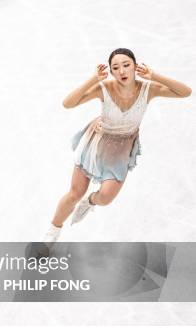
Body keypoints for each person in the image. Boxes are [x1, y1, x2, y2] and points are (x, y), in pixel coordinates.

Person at [44, 48, 192, 242]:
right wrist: (93, 80)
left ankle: (89, 202)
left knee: (105, 198)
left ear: (135, 66)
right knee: (74, 194)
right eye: (116, 67)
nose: (122, 71)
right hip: (96, 143)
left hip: (121, 150)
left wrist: (154, 76)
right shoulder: (104, 87)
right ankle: (52, 233)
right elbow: (67, 103)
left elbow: (185, 92)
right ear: (111, 72)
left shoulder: (149, 89)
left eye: (126, 65)